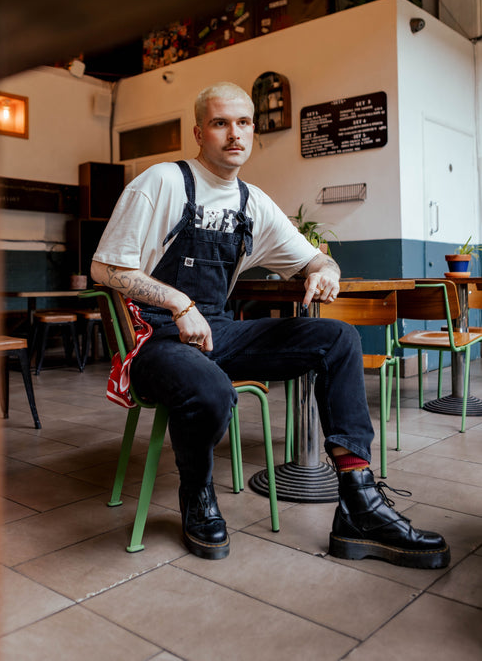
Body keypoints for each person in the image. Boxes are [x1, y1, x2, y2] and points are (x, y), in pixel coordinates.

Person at [91, 81, 450, 569]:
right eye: (220, 123)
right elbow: (106, 269)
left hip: (217, 331)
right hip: (157, 338)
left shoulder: (251, 202)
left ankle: (359, 503)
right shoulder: (163, 182)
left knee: (338, 338)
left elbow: (315, 262)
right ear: (200, 131)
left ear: (253, 131)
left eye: (243, 123)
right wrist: (178, 302)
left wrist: (326, 273)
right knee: (212, 389)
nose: (233, 134)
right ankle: (196, 495)